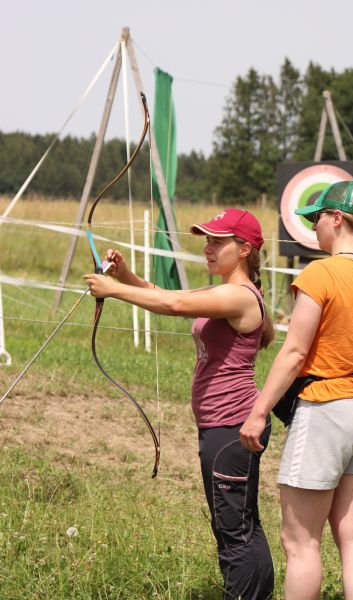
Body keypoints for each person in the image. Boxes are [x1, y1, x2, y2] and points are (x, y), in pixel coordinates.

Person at [84, 208, 275, 600]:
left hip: (231, 428)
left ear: (243, 249)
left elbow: (173, 307)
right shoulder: (223, 291)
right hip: (222, 427)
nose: (207, 248)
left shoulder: (238, 295)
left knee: (234, 529)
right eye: (206, 240)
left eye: (217, 241)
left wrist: (113, 290)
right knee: (238, 523)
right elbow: (168, 296)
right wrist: (126, 277)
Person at [240, 180, 353, 600]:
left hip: (326, 409)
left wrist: (259, 411)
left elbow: (294, 353)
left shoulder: (320, 273)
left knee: (300, 543)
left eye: (317, 217)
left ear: (337, 219)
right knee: (352, 536)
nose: (314, 226)